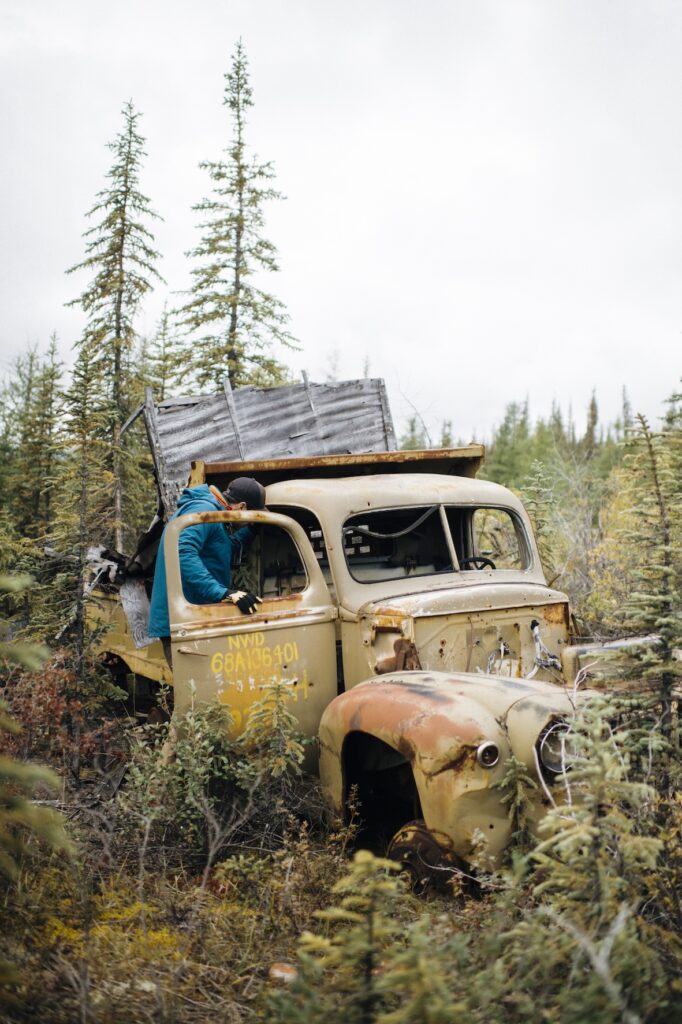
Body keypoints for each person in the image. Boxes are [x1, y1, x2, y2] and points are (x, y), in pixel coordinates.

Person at [148, 476, 266, 667]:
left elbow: (221, 549)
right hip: (185, 617)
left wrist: (251, 530)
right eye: (250, 515)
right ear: (242, 507)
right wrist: (223, 593)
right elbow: (182, 552)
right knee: (196, 688)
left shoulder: (214, 513)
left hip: (193, 613)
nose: (247, 520)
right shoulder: (205, 510)